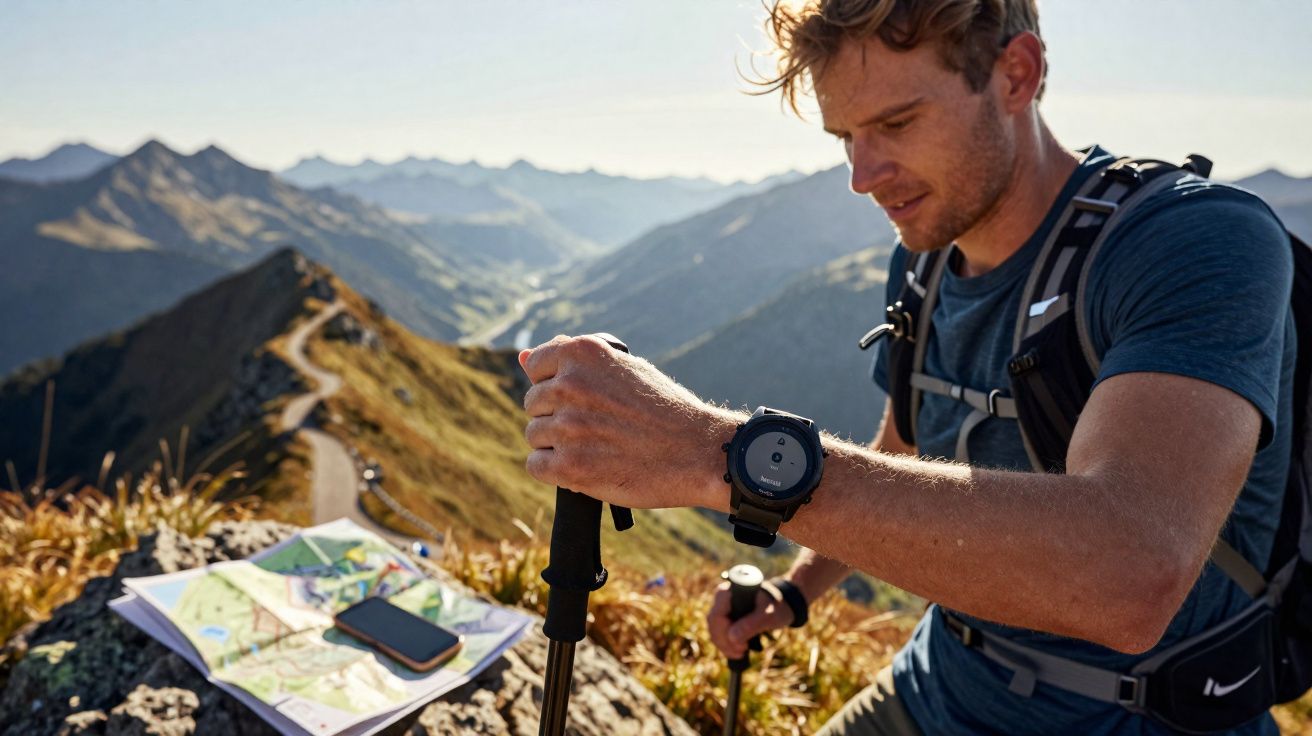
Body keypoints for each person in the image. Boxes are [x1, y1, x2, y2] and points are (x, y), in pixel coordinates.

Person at [516, 0, 1295, 732]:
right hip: (939, 681)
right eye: (844, 136)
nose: (862, 174)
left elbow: (1130, 576)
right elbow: (902, 450)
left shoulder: (1191, 242)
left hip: (1142, 716)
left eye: (896, 121)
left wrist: (714, 453)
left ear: (1016, 75)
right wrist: (796, 591)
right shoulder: (921, 267)